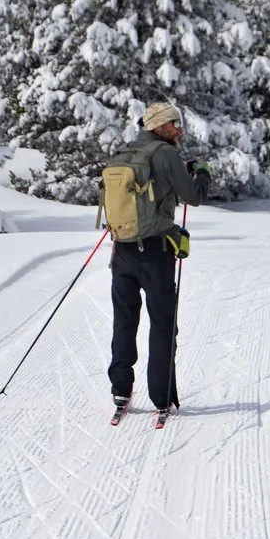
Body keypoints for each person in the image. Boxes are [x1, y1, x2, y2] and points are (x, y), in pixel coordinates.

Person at [109, 100, 211, 416]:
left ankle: (120, 391)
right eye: (173, 124)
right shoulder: (165, 153)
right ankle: (161, 396)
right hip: (154, 253)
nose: (179, 129)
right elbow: (194, 196)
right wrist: (202, 172)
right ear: (159, 127)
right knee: (163, 324)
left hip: (122, 250)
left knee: (124, 321)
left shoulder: (125, 153)